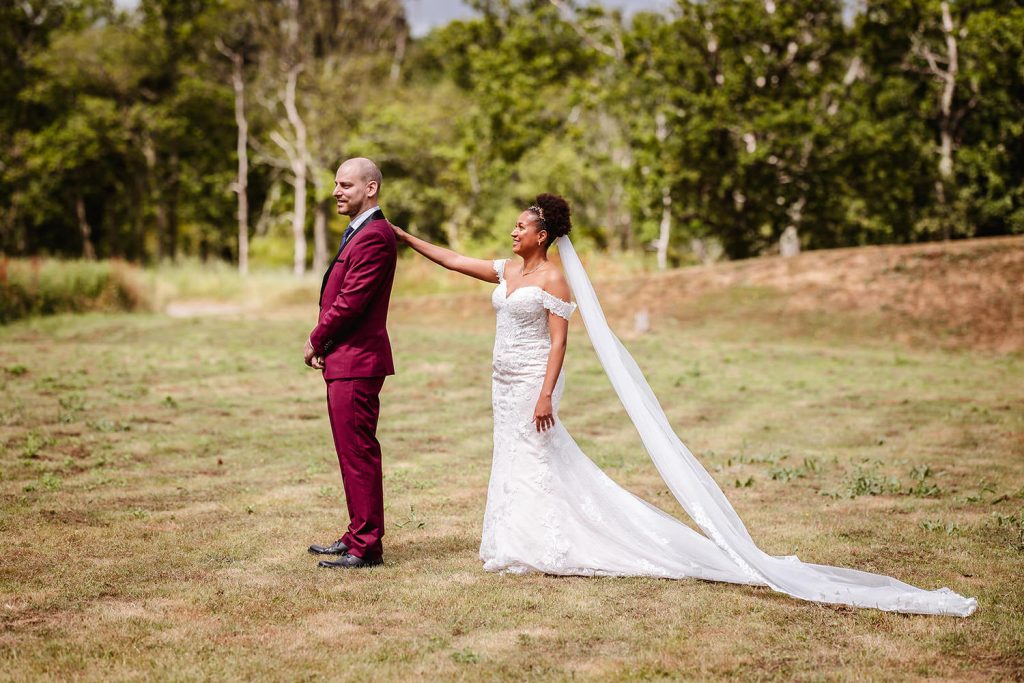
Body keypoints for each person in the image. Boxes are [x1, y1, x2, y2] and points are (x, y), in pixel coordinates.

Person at [393, 192, 978, 617]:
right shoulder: (508, 270)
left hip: (532, 384)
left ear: (541, 236)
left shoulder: (553, 282)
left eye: (520, 226)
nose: (512, 232)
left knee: (539, 457)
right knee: (515, 458)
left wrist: (546, 392)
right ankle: (515, 538)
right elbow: (450, 259)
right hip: (501, 383)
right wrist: (403, 237)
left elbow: (561, 341)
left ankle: (543, 541)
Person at [304, 157, 397, 569]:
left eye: (345, 185)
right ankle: (357, 531)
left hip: (358, 361)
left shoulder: (374, 236)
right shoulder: (360, 231)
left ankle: (366, 546)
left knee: (358, 451)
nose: (336, 191)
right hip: (346, 360)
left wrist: (316, 338)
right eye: (335, 184)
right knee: (349, 451)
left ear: (370, 187)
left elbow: (351, 302)